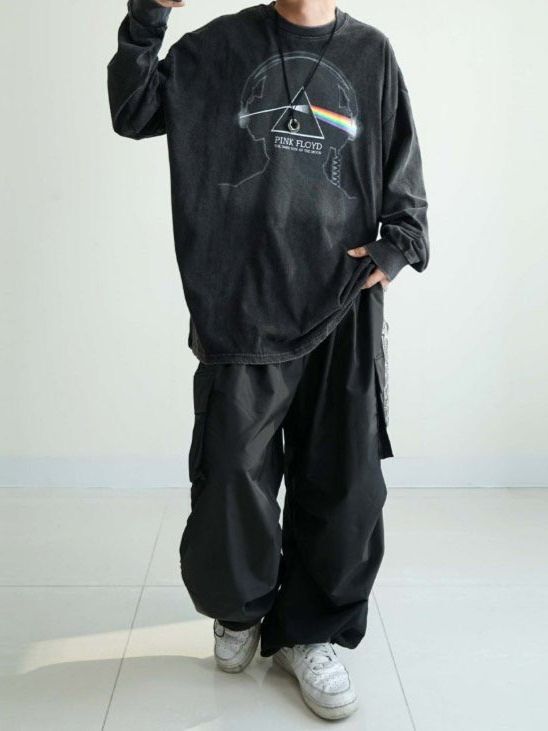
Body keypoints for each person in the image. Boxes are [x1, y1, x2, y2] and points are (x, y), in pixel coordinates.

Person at [108, 0, 429, 720]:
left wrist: (397, 244)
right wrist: (147, 15)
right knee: (232, 473)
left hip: (341, 303)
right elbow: (133, 108)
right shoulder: (218, 48)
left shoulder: (371, 56)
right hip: (241, 300)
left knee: (344, 481)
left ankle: (310, 634)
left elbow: (403, 171)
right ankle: (241, 610)